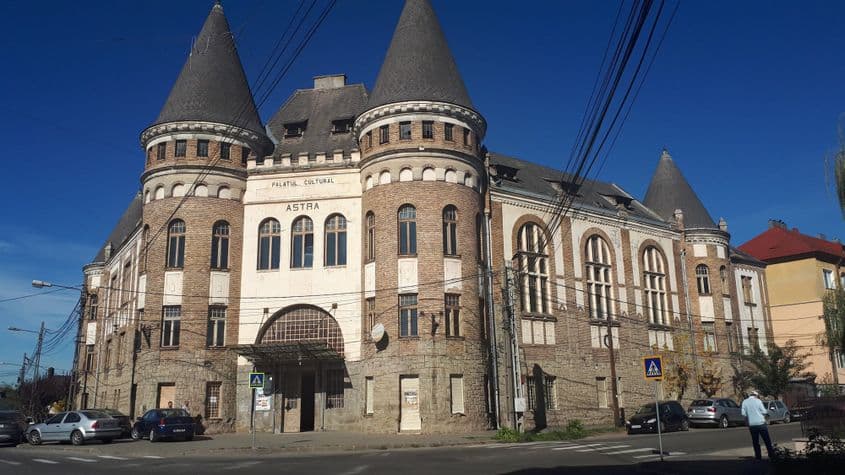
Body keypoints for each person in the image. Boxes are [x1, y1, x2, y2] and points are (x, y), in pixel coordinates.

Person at [741, 391, 775, 460]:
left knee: (755, 441)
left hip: (752, 424)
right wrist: (767, 414)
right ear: (756, 395)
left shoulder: (744, 402)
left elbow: (743, 414)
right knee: (767, 440)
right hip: (761, 423)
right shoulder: (758, 401)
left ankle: (758, 456)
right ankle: (771, 454)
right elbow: (764, 411)